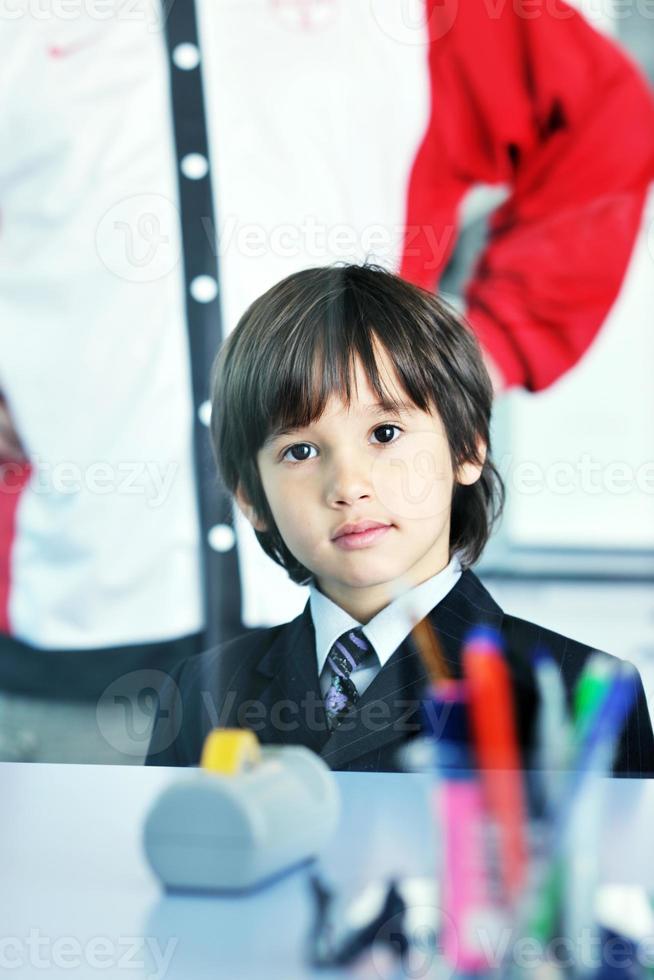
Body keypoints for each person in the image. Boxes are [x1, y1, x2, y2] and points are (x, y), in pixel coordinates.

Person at [145, 264, 654, 774]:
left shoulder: (579, 690)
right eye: (300, 450)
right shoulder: (199, 690)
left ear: (467, 447)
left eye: (385, 434)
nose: (348, 487)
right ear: (250, 498)